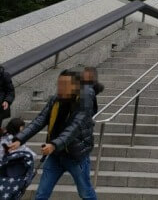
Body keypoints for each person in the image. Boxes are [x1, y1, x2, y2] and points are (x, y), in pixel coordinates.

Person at [9, 70, 96, 200]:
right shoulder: (56, 99)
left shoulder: (85, 101)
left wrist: (54, 144)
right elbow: (40, 120)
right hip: (56, 156)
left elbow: (75, 127)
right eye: (60, 83)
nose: (61, 87)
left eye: (65, 84)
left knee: (86, 193)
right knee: (41, 194)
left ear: (76, 86)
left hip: (76, 157)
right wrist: (19, 139)